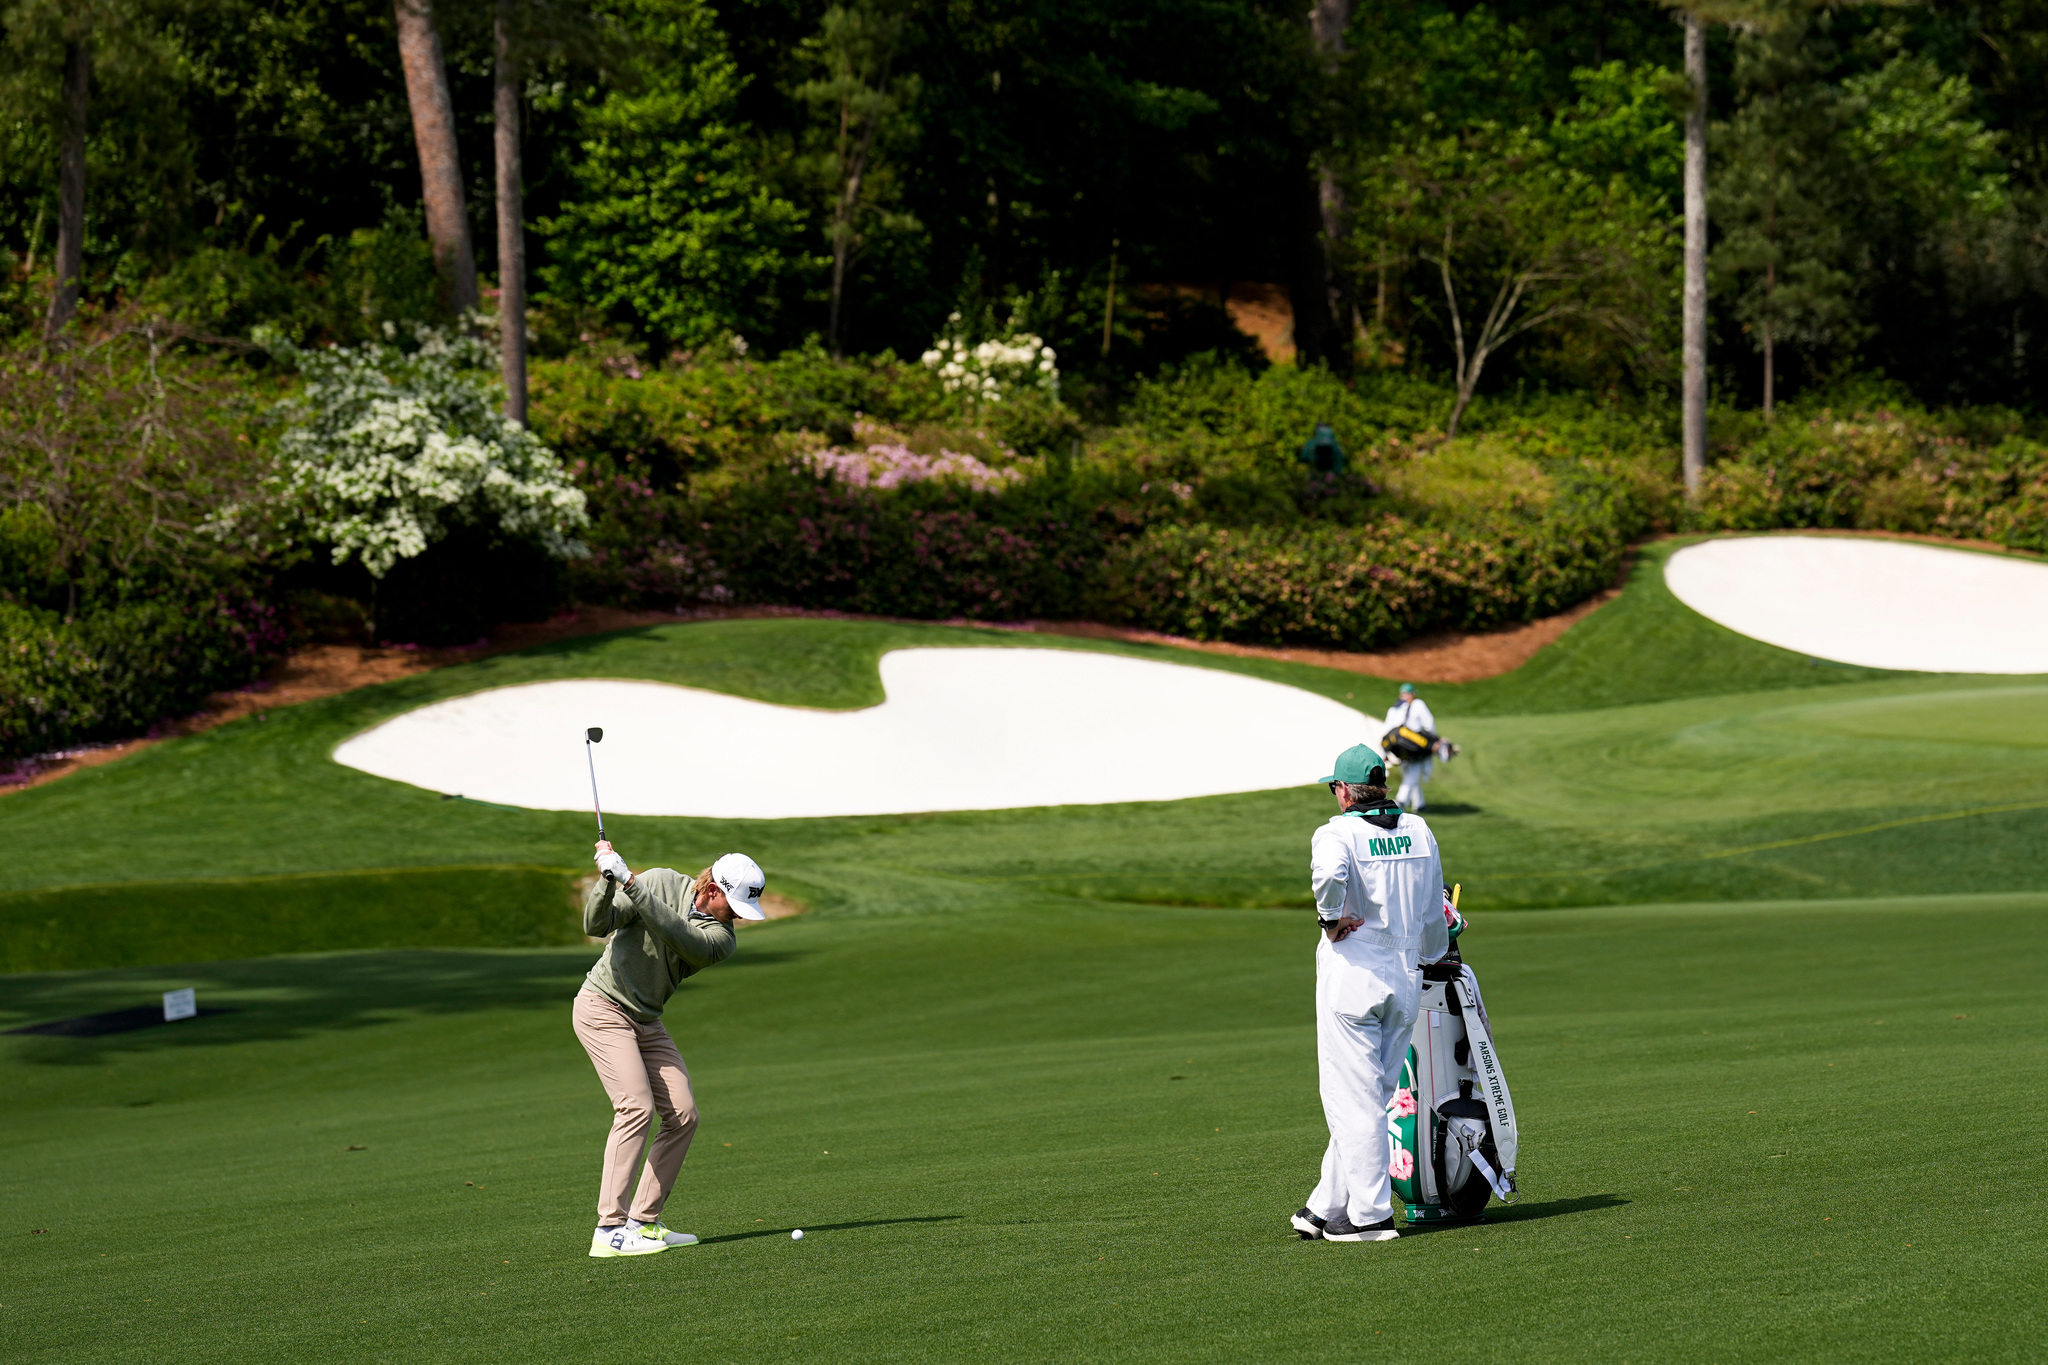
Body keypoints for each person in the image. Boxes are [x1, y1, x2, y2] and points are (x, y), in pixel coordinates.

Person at [574, 842, 767, 1258]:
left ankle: (643, 1223)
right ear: (713, 889)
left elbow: (678, 934)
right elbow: (596, 925)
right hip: (602, 1007)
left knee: (683, 1114)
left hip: (645, 1020)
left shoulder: (720, 940)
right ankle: (609, 1229)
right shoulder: (660, 881)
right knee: (635, 1107)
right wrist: (605, 881)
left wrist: (629, 880)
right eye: (733, 907)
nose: (735, 918)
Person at [1291, 743, 1449, 1243]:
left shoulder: (1336, 832)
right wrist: (1436, 952)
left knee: (1351, 1098)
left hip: (1353, 978)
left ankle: (1369, 1218)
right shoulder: (1419, 830)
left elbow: (1328, 876)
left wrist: (1330, 918)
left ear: (1343, 791)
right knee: (1371, 1096)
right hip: (1404, 976)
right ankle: (1324, 1207)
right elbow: (1433, 912)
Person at [1381, 683, 1437, 812]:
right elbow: (1429, 723)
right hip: (1415, 747)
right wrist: (1432, 742)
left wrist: (1385, 752)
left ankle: (1420, 804)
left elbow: (1386, 732)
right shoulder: (1417, 704)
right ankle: (1401, 801)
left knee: (1409, 772)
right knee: (1412, 773)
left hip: (1398, 748)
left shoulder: (1394, 709)